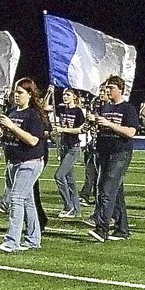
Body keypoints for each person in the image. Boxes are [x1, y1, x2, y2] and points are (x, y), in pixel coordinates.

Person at [0, 78, 49, 252]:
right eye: (15, 92)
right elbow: (11, 136)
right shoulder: (12, 112)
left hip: (30, 161)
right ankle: (34, 239)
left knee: (16, 199)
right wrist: (2, 133)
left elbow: (33, 140)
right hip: (14, 161)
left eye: (20, 92)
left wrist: (12, 127)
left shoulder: (34, 115)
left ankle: (12, 241)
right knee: (27, 202)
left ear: (30, 94)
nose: (16, 95)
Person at [88, 76, 140, 242]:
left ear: (120, 90)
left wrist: (109, 124)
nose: (107, 91)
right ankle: (122, 229)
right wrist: (95, 124)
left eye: (111, 88)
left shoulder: (128, 108)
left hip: (120, 152)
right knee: (116, 192)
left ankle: (102, 228)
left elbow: (131, 132)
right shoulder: (105, 107)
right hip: (104, 151)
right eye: (107, 88)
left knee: (106, 190)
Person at [53, 88, 85, 218]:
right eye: (64, 94)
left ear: (74, 97)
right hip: (64, 147)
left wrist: (63, 129)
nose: (65, 97)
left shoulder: (78, 111)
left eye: (68, 94)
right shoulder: (62, 109)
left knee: (59, 176)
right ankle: (76, 210)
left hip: (73, 147)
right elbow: (46, 106)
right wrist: (50, 93)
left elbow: (81, 130)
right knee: (70, 180)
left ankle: (68, 206)